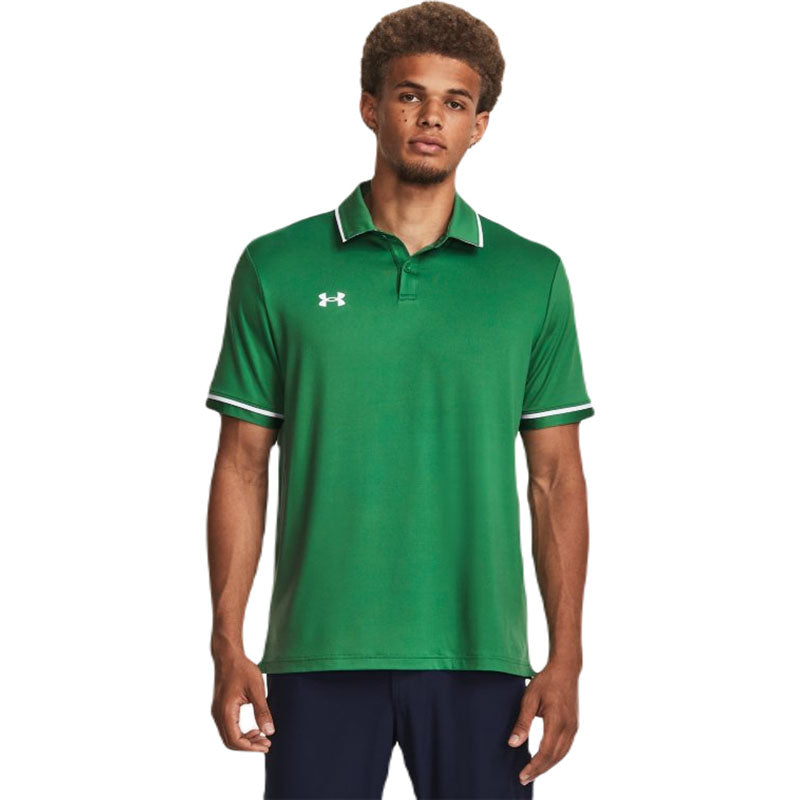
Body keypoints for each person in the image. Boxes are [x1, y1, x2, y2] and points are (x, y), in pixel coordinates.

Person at [205, 2, 594, 797]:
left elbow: (555, 478)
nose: (430, 118)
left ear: (479, 125)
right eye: (410, 95)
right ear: (370, 107)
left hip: (482, 657)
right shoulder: (277, 267)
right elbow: (241, 465)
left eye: (455, 102)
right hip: (317, 653)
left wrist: (567, 657)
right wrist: (225, 641)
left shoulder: (532, 277)